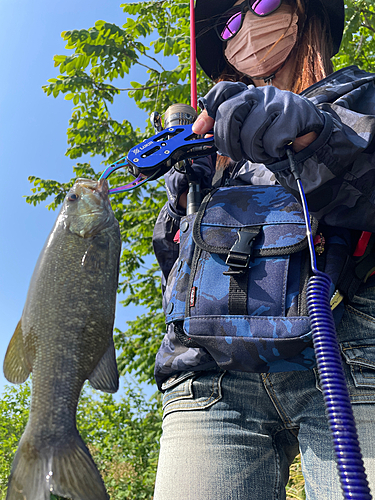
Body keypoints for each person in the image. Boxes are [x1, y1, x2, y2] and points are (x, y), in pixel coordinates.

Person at [152, 1, 375, 498]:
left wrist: (315, 138)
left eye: (263, 3)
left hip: (347, 357)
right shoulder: (210, 141)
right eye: (230, 23)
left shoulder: (361, 93)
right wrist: (181, 209)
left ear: (306, 12)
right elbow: (175, 273)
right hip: (209, 377)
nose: (246, 25)